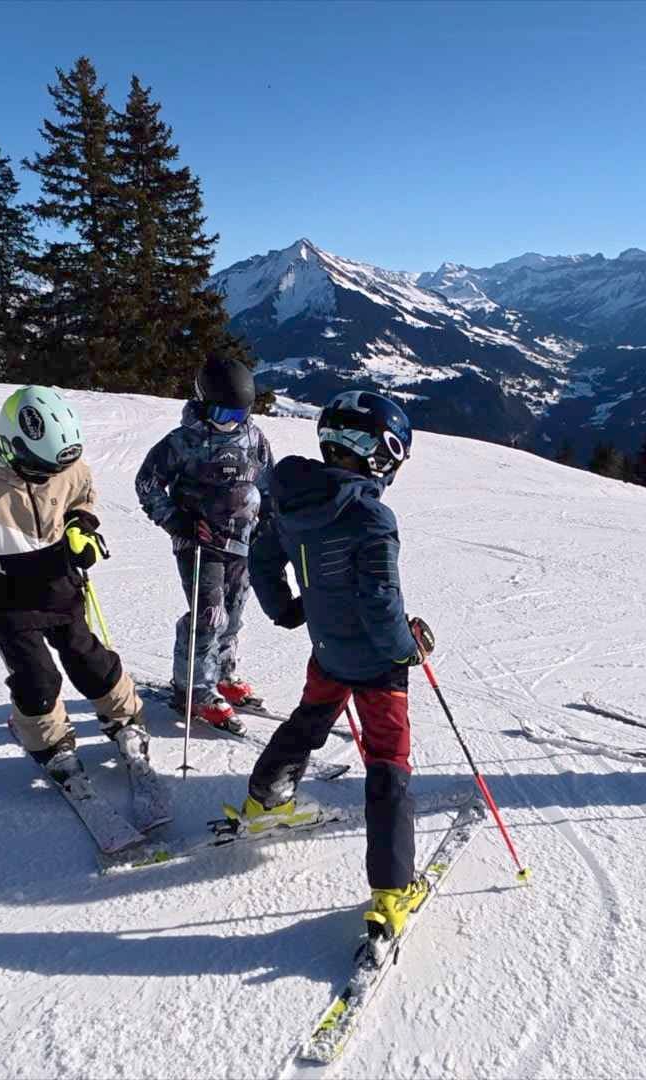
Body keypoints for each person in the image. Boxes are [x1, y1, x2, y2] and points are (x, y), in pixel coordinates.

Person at [234, 389, 435, 947]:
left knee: (313, 715)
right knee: (389, 760)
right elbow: (379, 603)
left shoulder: (293, 494)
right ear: (382, 455)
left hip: (327, 647)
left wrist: (287, 610)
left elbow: (263, 556)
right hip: (376, 663)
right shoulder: (371, 515)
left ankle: (265, 799)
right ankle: (392, 890)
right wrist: (407, 649)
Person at [0, 385, 147, 783]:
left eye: (56, 470)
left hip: (59, 585)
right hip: (2, 596)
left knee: (89, 659)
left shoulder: (65, 465)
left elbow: (82, 495)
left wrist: (81, 527)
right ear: (10, 446)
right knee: (37, 678)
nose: (50, 478)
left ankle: (125, 718)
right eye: (40, 470)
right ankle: (49, 744)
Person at [133, 354, 274, 734]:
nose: (231, 423)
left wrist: (269, 520)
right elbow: (146, 484)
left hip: (243, 542)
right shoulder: (182, 442)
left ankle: (222, 672)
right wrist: (176, 520)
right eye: (222, 415)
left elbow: (266, 482)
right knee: (210, 615)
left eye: (239, 415)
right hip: (200, 541)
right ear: (201, 402)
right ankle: (193, 689)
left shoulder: (254, 437)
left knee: (236, 611)